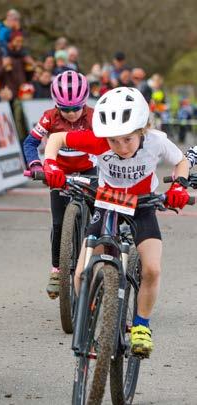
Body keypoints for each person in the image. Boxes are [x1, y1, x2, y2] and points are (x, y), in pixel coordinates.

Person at [43, 87, 190, 357]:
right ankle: (91, 318)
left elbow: (181, 161)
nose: (121, 147)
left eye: (128, 139)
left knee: (152, 269)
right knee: (81, 272)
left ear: (142, 130)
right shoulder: (99, 141)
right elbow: (57, 138)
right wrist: (50, 164)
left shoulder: (156, 141)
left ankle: (141, 326)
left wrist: (179, 185)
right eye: (114, 141)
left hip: (142, 206)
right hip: (107, 204)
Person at [22, 70, 95, 298]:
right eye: (65, 109)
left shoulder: (94, 117)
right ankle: (56, 269)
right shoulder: (49, 117)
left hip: (88, 170)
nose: (71, 114)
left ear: (85, 103)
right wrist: (36, 165)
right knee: (58, 223)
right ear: (56, 105)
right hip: (59, 173)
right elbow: (30, 143)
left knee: (99, 218)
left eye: (76, 108)